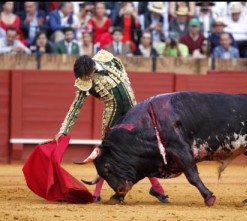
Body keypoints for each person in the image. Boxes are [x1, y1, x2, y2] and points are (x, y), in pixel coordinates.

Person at [54, 49, 169, 203]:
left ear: (93, 68)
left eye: (87, 75)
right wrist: (63, 130)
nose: (86, 79)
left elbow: (124, 76)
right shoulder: (84, 82)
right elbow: (76, 107)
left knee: (140, 148)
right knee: (107, 152)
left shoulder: (106, 58)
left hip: (133, 110)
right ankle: (97, 192)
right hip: (113, 115)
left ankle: (156, 188)